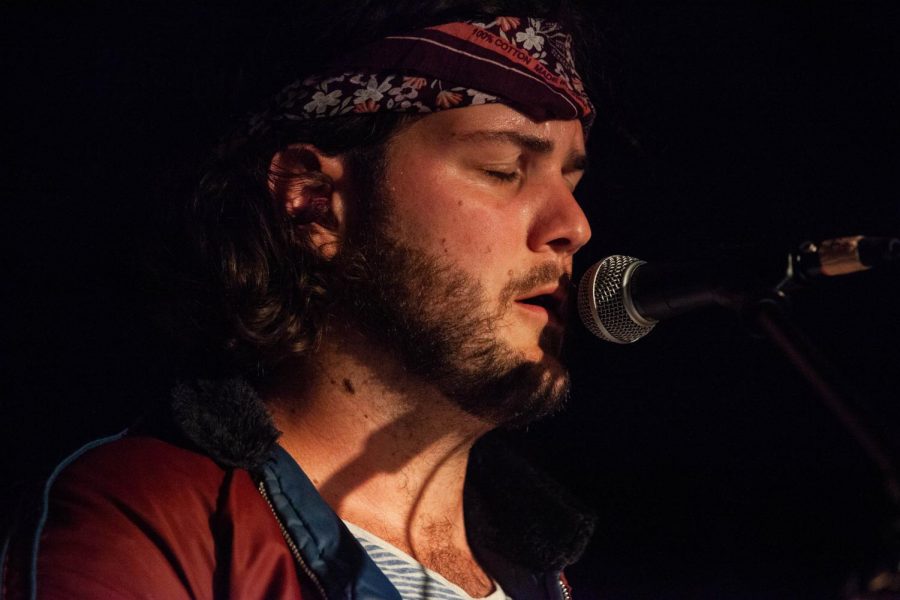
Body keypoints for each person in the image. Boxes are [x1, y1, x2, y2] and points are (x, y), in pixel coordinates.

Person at [2, 1, 599, 597]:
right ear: (312, 198)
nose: (574, 225)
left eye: (571, 181)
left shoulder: (544, 575)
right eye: (502, 169)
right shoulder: (149, 520)